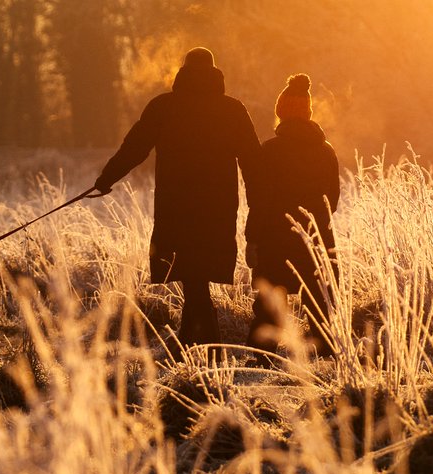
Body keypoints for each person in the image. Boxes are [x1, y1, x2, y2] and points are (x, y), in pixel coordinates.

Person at [93, 47, 260, 345]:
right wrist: (260, 203)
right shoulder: (232, 109)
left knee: (192, 275)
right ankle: (201, 345)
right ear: (215, 73)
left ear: (183, 72)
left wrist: (107, 179)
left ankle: (200, 345)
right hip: (217, 209)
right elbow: (252, 162)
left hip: (176, 207)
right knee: (199, 275)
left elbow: (134, 147)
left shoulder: (164, 107)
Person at [245, 73, 340, 356]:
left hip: (275, 241)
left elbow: (259, 201)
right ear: (308, 112)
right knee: (320, 304)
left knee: (270, 304)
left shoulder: (270, 150)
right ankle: (326, 359)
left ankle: (263, 357)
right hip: (316, 238)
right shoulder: (326, 152)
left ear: (281, 112)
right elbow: (331, 201)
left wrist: (253, 238)